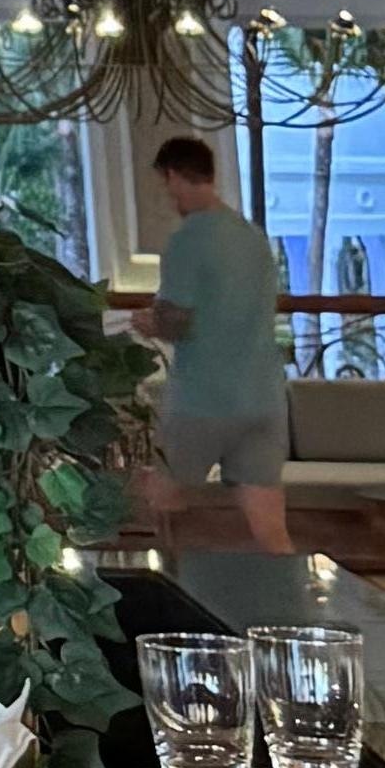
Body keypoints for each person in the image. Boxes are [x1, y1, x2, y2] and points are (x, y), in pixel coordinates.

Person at [136, 132, 293, 554]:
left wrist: (147, 321)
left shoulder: (188, 239)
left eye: (166, 185)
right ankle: (287, 588)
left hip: (202, 398)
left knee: (162, 500)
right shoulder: (252, 237)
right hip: (263, 396)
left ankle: (172, 582)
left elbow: (175, 320)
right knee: (269, 523)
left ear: (173, 177)